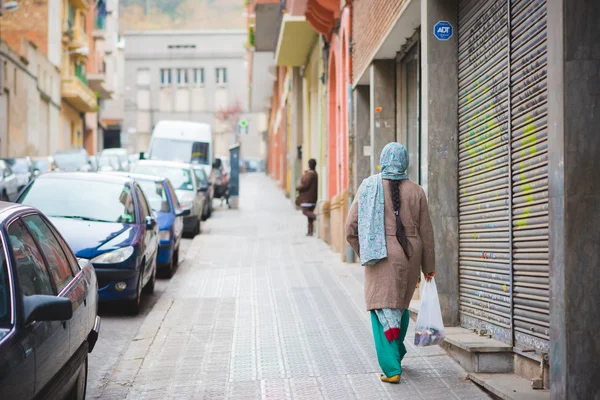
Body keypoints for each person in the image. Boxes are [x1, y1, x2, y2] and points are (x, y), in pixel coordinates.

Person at [345, 142, 435, 384]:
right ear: (405, 162)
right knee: (400, 307)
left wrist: (366, 252)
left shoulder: (368, 187)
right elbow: (427, 233)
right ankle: (396, 353)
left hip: (380, 257)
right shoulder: (417, 191)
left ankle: (392, 367)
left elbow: (350, 229)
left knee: (381, 308)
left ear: (383, 160)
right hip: (409, 257)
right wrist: (429, 267)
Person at [296, 159, 318, 236]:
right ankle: (310, 231)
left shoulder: (310, 174)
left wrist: (298, 188)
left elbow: (305, 184)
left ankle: (317, 218)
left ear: (309, 165)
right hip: (312, 198)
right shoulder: (314, 173)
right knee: (309, 217)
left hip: (308, 198)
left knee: (305, 211)